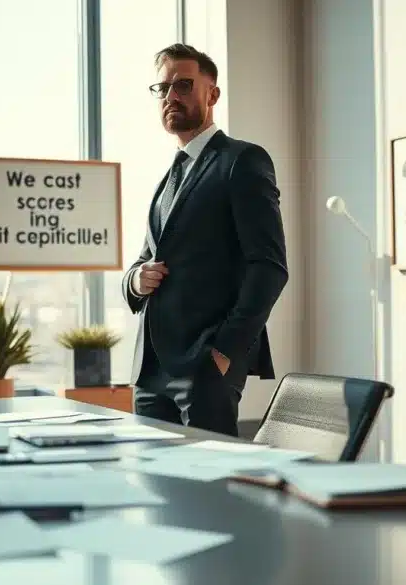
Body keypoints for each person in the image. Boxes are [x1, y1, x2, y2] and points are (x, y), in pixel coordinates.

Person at [121, 43, 288, 437]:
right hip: (150, 370)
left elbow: (269, 268)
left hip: (204, 366)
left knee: (208, 489)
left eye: (183, 85)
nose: (170, 96)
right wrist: (134, 280)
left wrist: (224, 353)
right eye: (162, 89)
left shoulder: (242, 161)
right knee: (154, 486)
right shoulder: (170, 176)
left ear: (212, 94)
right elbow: (146, 259)